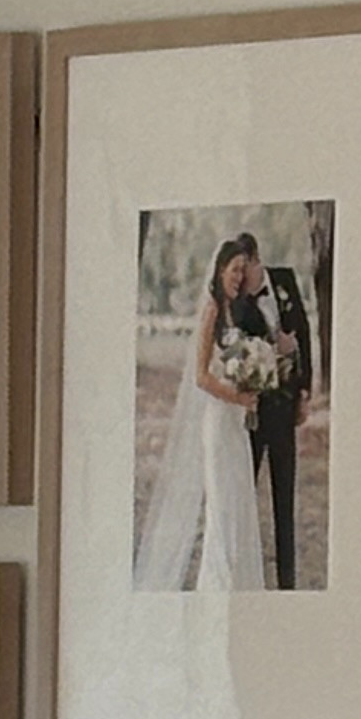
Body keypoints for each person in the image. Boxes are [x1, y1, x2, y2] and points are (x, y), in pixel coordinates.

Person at [133, 235, 270, 588]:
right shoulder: (211, 310)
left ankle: (239, 583)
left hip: (237, 424)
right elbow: (201, 376)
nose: (239, 277)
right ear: (220, 269)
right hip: (218, 421)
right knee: (222, 510)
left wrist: (250, 380)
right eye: (235, 270)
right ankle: (216, 586)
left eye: (243, 270)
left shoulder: (233, 312)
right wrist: (236, 397)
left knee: (239, 507)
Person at [230, 233, 317, 588]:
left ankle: (287, 582)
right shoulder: (236, 303)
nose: (240, 278)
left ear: (256, 260)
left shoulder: (284, 280)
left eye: (243, 268)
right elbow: (237, 354)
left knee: (285, 497)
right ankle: (242, 574)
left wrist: (305, 390)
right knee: (243, 496)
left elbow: (305, 333)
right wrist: (273, 346)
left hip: (284, 410)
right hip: (251, 415)